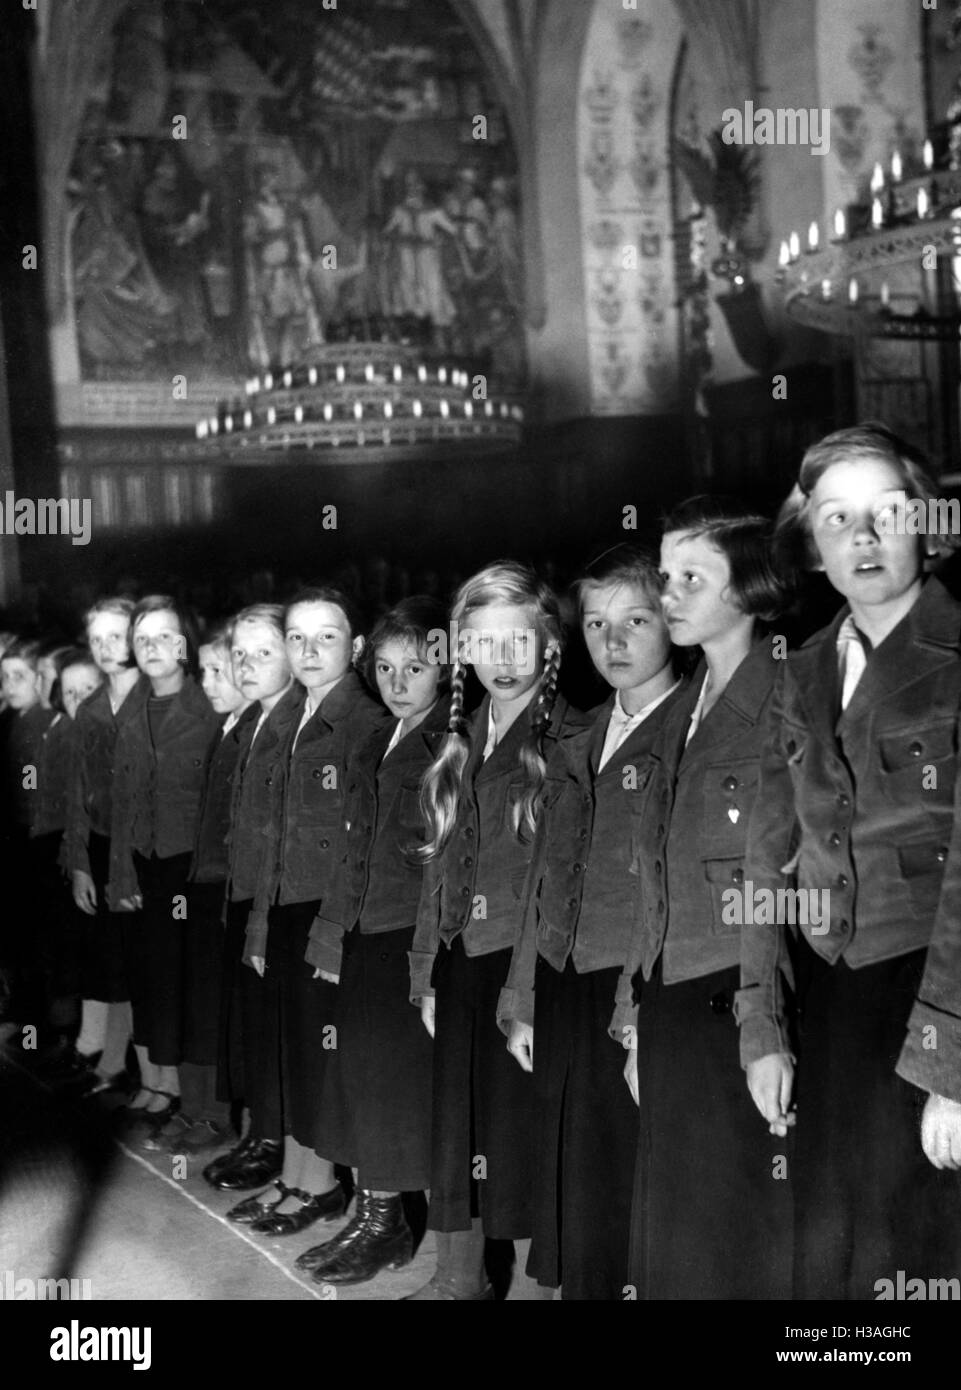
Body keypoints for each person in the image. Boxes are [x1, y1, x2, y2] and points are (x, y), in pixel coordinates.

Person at [742, 423, 961, 1299]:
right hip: (828, 994)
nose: (863, 539)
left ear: (930, 524)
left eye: (887, 513)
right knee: (828, 1247)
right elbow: (766, 861)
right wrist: (761, 1025)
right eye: (837, 519)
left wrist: (949, 1065)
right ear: (809, 541)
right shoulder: (794, 672)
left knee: (917, 1253)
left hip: (929, 992)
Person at [499, 545, 686, 1299]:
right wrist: (519, 995)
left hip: (636, 984)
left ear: (671, 620)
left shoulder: (688, 730)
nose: (612, 643)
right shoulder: (573, 740)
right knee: (574, 1176)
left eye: (635, 621)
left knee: (633, 1183)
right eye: (597, 624)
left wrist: (638, 1014)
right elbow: (539, 880)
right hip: (564, 981)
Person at [618, 497, 793, 1300]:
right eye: (665, 575)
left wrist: (763, 1034)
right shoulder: (678, 709)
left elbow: (773, 884)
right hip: (668, 998)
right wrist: (631, 1012)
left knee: (736, 1229)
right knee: (675, 1227)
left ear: (748, 590)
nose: (669, 595)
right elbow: (649, 872)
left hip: (736, 994)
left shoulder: (784, 704)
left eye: (693, 577)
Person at [408, 561, 575, 1300]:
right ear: (461, 652)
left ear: (548, 645)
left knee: (527, 1139)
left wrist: (527, 997)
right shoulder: (460, 739)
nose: (502, 661)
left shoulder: (572, 736)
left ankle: (537, 1290)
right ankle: (458, 1283)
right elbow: (438, 868)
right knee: (458, 1131)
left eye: (519, 641)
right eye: (483, 642)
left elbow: (558, 882)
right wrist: (424, 972)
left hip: (527, 962)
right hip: (460, 961)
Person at [296, 597, 450, 1285]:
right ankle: (370, 1208)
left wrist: (427, 963)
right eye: (384, 668)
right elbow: (350, 849)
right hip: (364, 931)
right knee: (358, 1078)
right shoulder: (375, 738)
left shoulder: (451, 741)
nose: (396, 681)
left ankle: (389, 1223)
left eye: (413, 667)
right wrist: (331, 940)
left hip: (406, 937)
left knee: (393, 1087)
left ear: (443, 668)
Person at [235, 589, 388, 1235]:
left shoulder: (366, 724)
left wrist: (328, 936)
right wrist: (260, 923)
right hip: (286, 905)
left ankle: (323, 1185)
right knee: (298, 1053)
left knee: (326, 1058)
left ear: (354, 648)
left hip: (333, 914)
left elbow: (361, 843)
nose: (307, 650)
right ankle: (296, 1178)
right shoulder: (288, 715)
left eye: (325, 637)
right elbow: (268, 832)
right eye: (295, 637)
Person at [108, 596, 220, 1135]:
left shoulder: (210, 709)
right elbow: (121, 800)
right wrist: (120, 874)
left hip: (194, 872)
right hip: (146, 865)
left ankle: (207, 1111)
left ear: (186, 644)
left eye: (165, 637)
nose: (153, 648)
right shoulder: (131, 710)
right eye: (142, 639)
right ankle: (168, 1089)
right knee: (156, 983)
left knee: (194, 988)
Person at [145, 629, 254, 1155]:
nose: (209, 681)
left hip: (225, 889)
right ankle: (193, 1108)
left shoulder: (249, 731)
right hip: (202, 881)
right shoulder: (226, 728)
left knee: (212, 1007)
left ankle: (215, 1116)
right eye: (206, 670)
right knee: (194, 1000)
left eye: (219, 671)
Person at [204, 606, 292, 1195]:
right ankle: (262, 1133)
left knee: (277, 1028)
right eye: (241, 654)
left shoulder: (290, 723)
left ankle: (275, 1141)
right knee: (255, 1024)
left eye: (264, 652)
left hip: (280, 900)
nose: (247, 664)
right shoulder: (256, 721)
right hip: (247, 892)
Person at [63, 599, 145, 1092]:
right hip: (100, 847)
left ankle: (138, 1069)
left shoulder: (157, 700)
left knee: (140, 964)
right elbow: (76, 793)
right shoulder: (91, 709)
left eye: (116, 636)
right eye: (97, 639)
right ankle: (110, 1061)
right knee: (109, 960)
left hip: (142, 854)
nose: (106, 648)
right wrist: (78, 864)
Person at [1, 639, 55, 1036]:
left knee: (36, 934)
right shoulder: (15, 721)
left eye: (19, 676)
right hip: (18, 837)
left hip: (35, 837)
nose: (9, 684)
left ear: (39, 680)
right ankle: (24, 1013)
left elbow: (31, 783)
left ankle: (38, 1022)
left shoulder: (39, 723)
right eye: (5, 677)